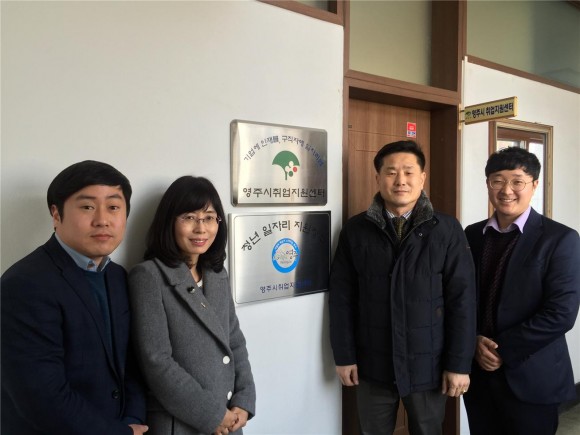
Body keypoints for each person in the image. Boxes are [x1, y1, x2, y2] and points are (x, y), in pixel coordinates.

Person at [329, 140, 476, 435]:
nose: (400, 180)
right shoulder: (356, 230)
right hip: (372, 365)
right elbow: (342, 299)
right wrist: (344, 356)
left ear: (422, 178)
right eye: (391, 172)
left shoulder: (446, 230)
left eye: (409, 172)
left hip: (429, 366)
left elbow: (463, 300)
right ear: (378, 178)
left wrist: (459, 364)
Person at [1, 160, 148, 435]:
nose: (102, 219)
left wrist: (132, 419)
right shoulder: (24, 285)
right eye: (87, 207)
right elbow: (42, 397)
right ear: (56, 214)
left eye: (113, 207)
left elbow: (132, 364)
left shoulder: (117, 276)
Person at [463, 147, 580, 435]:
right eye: (497, 181)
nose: (506, 190)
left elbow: (561, 313)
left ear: (534, 185)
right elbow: (462, 298)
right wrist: (473, 340)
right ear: (488, 184)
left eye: (518, 181)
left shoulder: (560, 238)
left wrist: (502, 349)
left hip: (532, 375)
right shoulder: (472, 234)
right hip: (479, 375)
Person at [128, 175, 256, 435]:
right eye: (189, 217)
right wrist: (213, 415)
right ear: (169, 222)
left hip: (228, 418)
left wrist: (244, 399)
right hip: (181, 423)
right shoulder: (149, 276)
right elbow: (157, 363)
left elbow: (234, 341)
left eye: (209, 218)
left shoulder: (217, 274)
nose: (201, 228)